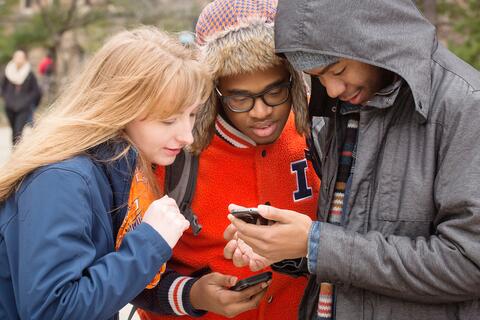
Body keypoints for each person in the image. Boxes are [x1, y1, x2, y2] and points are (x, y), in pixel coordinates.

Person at [224, 0, 480, 319]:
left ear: (374, 38)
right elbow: (351, 239)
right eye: (316, 75)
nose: (331, 89)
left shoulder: (466, 108)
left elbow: (469, 263)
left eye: (338, 70)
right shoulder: (340, 107)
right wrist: (286, 247)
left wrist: (317, 244)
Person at [0, 27, 212, 320]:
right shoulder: (61, 179)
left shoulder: (118, 169)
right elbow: (53, 310)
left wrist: (193, 294)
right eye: (168, 120)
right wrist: (151, 241)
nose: (187, 136)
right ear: (120, 107)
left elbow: (103, 282)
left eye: (192, 115)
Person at [137, 0, 320, 319]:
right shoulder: (173, 151)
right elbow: (125, 268)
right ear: (213, 92)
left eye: (275, 92)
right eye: (240, 98)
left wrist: (299, 249)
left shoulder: (319, 133)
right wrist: (192, 294)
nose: (261, 111)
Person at [1, 50, 42, 144]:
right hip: (10, 106)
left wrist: (28, 101)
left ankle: (17, 153)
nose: (19, 59)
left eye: (21, 57)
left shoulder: (29, 74)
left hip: (23, 107)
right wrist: (6, 98)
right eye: (17, 57)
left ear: (25, 59)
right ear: (13, 58)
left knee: (18, 131)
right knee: (13, 130)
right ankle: (14, 151)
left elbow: (36, 91)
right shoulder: (8, 72)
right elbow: (2, 87)